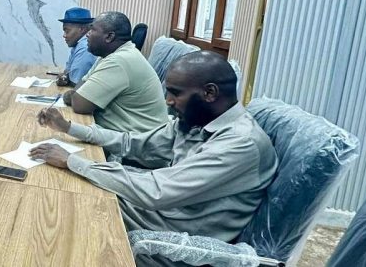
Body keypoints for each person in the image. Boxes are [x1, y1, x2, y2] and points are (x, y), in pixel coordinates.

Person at [31, 51, 278, 249]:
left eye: (175, 93)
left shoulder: (241, 143)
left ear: (209, 93)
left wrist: (73, 162)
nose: (168, 101)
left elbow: (156, 192)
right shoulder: (198, 120)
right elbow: (131, 143)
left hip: (169, 237)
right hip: (154, 213)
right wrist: (69, 127)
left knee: (58, 214)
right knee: (58, 192)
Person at [62, 11, 167, 132]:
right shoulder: (108, 55)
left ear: (109, 37)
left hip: (138, 139)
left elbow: (79, 104)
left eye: (92, 30)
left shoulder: (119, 60)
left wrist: (71, 96)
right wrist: (75, 95)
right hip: (123, 134)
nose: (87, 35)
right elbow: (80, 88)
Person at [55, 7, 96, 86]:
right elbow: (67, 72)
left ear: (82, 29)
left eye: (67, 31)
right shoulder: (78, 44)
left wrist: (64, 79)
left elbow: (75, 83)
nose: (64, 35)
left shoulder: (85, 47)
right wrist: (65, 77)